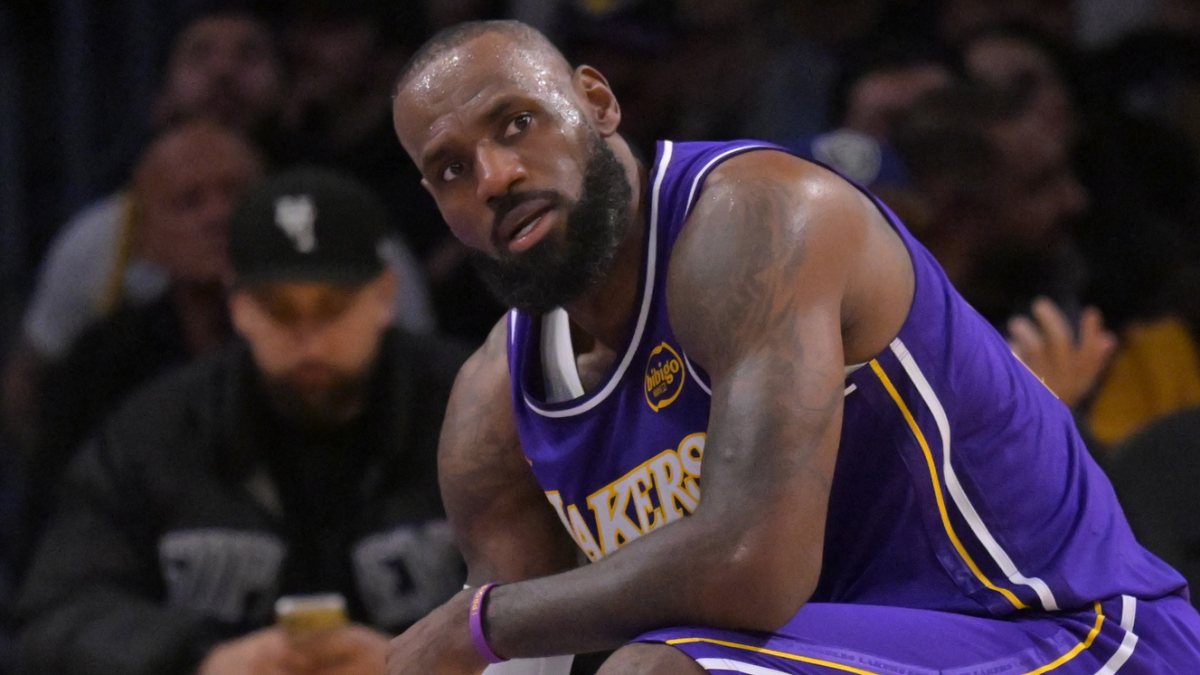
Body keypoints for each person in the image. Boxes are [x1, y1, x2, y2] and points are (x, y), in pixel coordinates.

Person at [384, 20, 1200, 674]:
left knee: (662, 670)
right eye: (451, 169)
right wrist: (472, 639)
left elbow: (752, 565)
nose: (494, 176)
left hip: (1062, 635)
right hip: (821, 658)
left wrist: (478, 621)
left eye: (517, 124)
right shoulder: (493, 399)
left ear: (596, 103)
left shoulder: (758, 220)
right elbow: (519, 654)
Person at [13, 168, 468, 675]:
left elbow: (539, 595)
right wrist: (202, 660)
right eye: (279, 309)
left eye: (332, 306)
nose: (308, 336)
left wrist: (426, 658)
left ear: (385, 295)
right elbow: (52, 618)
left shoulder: (473, 411)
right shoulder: (157, 431)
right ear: (238, 304)